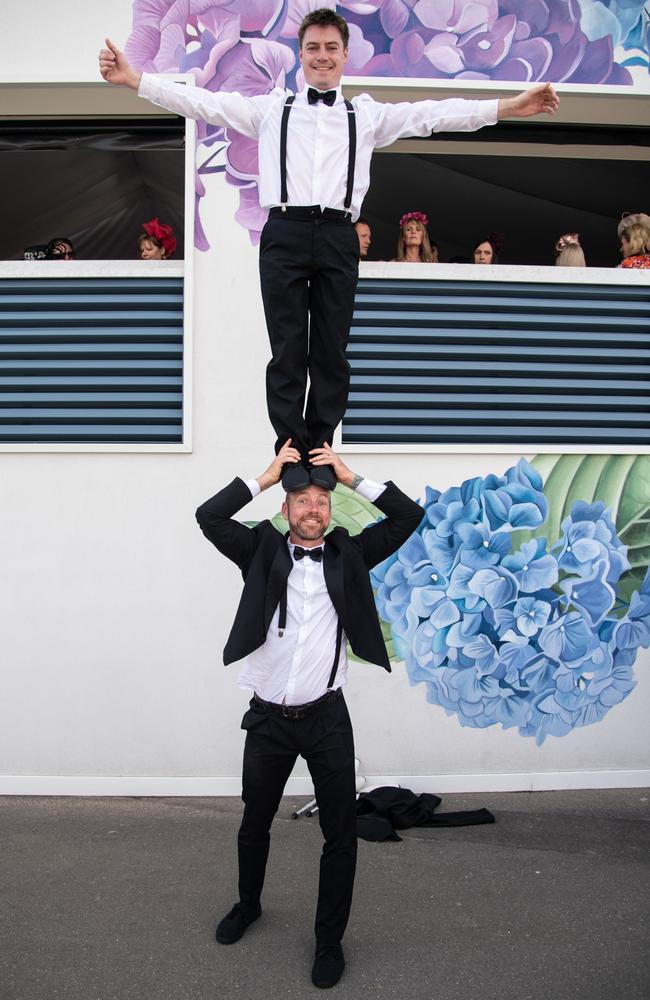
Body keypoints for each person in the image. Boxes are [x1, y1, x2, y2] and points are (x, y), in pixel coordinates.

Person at [99, 8, 560, 490]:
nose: (322, 57)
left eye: (331, 48)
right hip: (285, 232)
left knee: (331, 351)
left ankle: (319, 446)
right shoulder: (270, 110)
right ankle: (289, 448)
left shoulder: (367, 114)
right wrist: (135, 80)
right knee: (287, 348)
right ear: (301, 55)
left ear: (344, 56)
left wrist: (507, 107)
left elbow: (434, 114)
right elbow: (203, 102)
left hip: (340, 234)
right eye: (313, 48)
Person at [194, 439, 424, 989]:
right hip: (269, 719)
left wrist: (348, 476)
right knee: (254, 822)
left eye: (322, 499)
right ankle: (248, 904)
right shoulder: (259, 550)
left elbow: (408, 516)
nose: (313, 508)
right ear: (286, 511)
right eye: (302, 500)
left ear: (331, 508)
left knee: (340, 833)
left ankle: (329, 941)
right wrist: (266, 476)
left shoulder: (350, 554)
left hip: (327, 718)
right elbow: (209, 516)